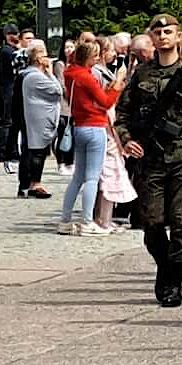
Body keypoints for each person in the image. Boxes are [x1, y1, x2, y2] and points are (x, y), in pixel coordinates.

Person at [113, 15, 182, 309]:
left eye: (168, 31)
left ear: (177, 36)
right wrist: (127, 139)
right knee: (152, 223)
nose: (162, 36)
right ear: (151, 37)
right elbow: (123, 113)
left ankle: (173, 280)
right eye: (158, 32)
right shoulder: (142, 75)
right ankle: (165, 265)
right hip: (151, 159)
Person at [59, 38, 122, 234]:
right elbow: (105, 102)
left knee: (77, 177)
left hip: (79, 126)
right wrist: (116, 88)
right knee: (92, 178)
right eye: (95, 56)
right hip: (95, 126)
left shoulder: (70, 74)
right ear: (87, 58)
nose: (97, 59)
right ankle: (87, 221)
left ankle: (65, 220)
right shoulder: (86, 77)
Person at [18, 43, 62, 200]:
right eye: (44, 55)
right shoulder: (34, 76)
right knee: (36, 151)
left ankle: (32, 184)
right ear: (37, 58)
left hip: (41, 117)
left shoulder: (33, 75)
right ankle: (32, 184)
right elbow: (58, 90)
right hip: (38, 119)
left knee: (39, 151)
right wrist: (50, 73)